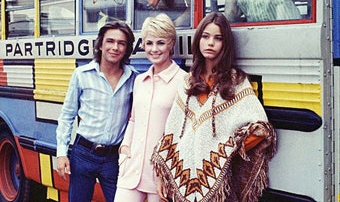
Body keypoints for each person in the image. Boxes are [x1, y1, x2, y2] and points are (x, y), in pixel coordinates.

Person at [151, 12, 276, 202]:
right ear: (198, 40)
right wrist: (163, 176)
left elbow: (261, 129)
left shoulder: (236, 81)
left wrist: (224, 153)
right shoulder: (188, 81)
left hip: (220, 184)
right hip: (183, 176)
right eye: (205, 36)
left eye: (218, 38)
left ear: (225, 45)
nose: (210, 43)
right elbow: (172, 133)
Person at [56, 21, 137, 202]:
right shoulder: (81, 75)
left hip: (114, 159)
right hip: (83, 154)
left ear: (126, 49)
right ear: (100, 45)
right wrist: (62, 153)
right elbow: (67, 115)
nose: (115, 47)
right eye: (110, 41)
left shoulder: (134, 78)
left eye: (121, 43)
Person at [114, 14, 187, 202]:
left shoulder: (185, 82)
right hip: (131, 170)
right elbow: (133, 119)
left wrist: (168, 172)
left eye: (161, 43)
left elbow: (184, 133)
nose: (154, 49)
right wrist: (124, 149)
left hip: (161, 177)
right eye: (149, 43)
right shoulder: (140, 80)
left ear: (171, 44)